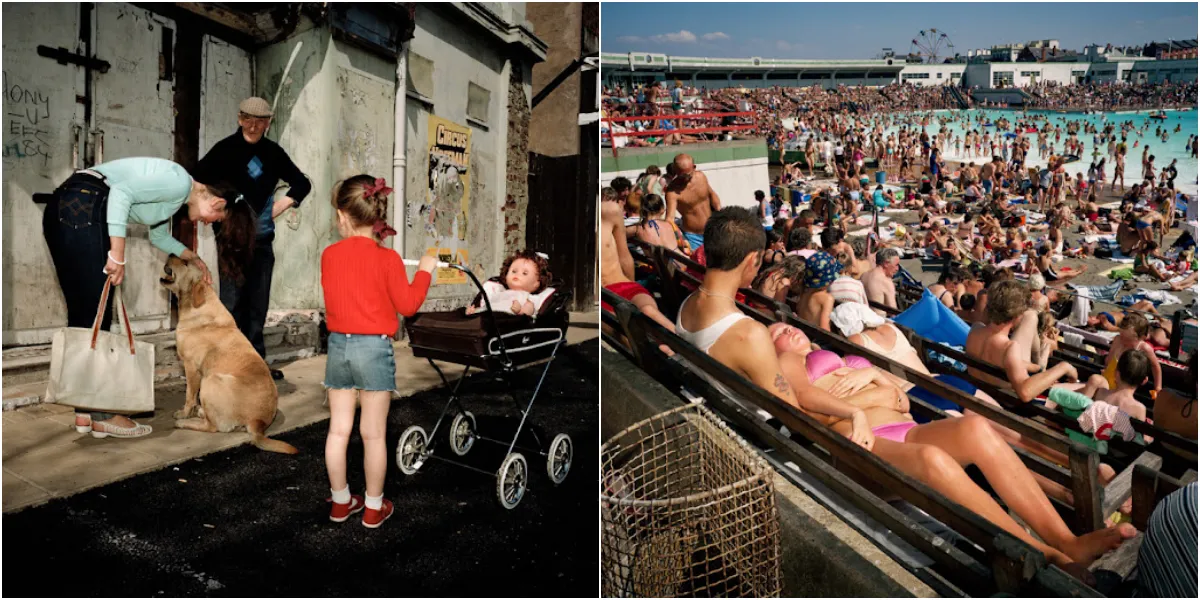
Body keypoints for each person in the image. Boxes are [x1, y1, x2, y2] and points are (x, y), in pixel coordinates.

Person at [768, 312, 1136, 576]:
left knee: (975, 426)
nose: (786, 329)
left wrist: (874, 381)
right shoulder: (789, 360)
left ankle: (1067, 541)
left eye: (786, 325)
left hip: (901, 428)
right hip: (860, 444)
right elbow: (802, 398)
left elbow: (903, 401)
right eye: (777, 332)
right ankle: (1046, 555)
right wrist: (858, 409)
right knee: (932, 458)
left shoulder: (844, 358)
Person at [43, 157, 253, 439]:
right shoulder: (179, 182)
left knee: (86, 310)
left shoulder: (175, 196)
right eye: (216, 220)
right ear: (218, 204)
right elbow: (121, 194)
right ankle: (103, 414)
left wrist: (191, 257)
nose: (207, 223)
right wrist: (117, 253)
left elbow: (157, 236)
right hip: (84, 205)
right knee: (96, 311)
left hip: (70, 207)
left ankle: (85, 407)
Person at [320, 175, 437, 528]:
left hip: (339, 345)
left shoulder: (329, 254)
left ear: (343, 216)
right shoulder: (388, 259)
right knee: (372, 433)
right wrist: (426, 273)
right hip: (373, 349)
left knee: (338, 431)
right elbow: (409, 304)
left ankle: (341, 502)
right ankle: (373, 506)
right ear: (377, 215)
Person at [194, 97, 312, 381]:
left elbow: (302, 183)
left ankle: (256, 365)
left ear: (268, 123)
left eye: (260, 121)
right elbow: (197, 178)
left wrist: (279, 207)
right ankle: (227, 366)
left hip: (261, 241)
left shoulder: (273, 152)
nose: (253, 125)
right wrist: (215, 204)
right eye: (248, 118)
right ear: (239, 118)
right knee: (232, 306)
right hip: (231, 242)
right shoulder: (225, 149)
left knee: (258, 306)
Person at [600, 187, 675, 332]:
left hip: (622, 284)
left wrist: (632, 285)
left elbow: (624, 255)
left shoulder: (610, 211)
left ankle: (689, 347)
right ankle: (665, 351)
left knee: (647, 309)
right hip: (602, 296)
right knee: (627, 332)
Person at [465, 250, 554, 316]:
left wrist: (521, 311)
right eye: (514, 271)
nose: (517, 275)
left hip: (507, 322)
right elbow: (489, 305)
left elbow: (529, 312)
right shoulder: (499, 292)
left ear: (536, 283)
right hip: (489, 317)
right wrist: (476, 310)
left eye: (524, 273)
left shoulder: (528, 298)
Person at [664, 153, 722, 251]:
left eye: (688, 175)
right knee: (698, 265)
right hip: (693, 238)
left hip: (713, 230)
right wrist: (679, 239)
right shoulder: (672, 192)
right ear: (675, 171)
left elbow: (712, 194)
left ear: (694, 167)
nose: (685, 179)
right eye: (681, 176)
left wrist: (721, 213)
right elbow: (669, 219)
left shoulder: (701, 177)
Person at [1102, 313, 1163, 398]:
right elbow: (1109, 360)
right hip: (1109, 379)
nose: (1123, 341)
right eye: (1121, 336)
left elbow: (1156, 367)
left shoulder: (1143, 348)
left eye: (1127, 340)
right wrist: (1106, 367)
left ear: (1141, 337)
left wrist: (1158, 387)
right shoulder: (1118, 340)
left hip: (1125, 388)